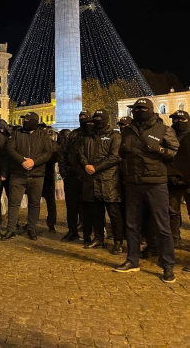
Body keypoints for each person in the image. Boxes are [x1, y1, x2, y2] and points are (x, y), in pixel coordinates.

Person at [114, 98, 179, 284]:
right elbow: (121, 152)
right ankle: (132, 260)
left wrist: (158, 148)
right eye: (136, 108)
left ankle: (168, 265)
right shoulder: (127, 130)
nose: (139, 111)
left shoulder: (163, 129)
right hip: (133, 181)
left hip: (156, 182)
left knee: (162, 226)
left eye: (143, 108)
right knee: (132, 225)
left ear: (151, 110)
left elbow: (173, 151)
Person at [78, 109, 124, 253]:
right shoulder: (87, 136)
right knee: (96, 213)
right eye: (95, 117)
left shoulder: (114, 135)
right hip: (91, 179)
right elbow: (80, 153)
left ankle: (118, 241)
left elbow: (115, 156)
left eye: (100, 117)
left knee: (114, 213)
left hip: (109, 180)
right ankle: (99, 238)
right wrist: (85, 165)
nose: (97, 120)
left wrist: (96, 167)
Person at [2, 112, 52, 241]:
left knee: (34, 203)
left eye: (28, 120)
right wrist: (22, 161)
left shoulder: (43, 134)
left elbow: (48, 152)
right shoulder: (17, 133)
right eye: (24, 119)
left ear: (35, 121)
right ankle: (11, 229)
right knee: (14, 203)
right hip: (18, 173)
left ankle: (31, 228)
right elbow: (10, 149)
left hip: (37, 174)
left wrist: (34, 162)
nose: (25, 122)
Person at [58, 111, 91, 242]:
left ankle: (88, 234)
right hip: (71, 176)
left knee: (87, 206)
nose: (82, 119)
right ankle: (72, 231)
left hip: (88, 176)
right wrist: (64, 172)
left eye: (85, 117)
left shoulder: (92, 134)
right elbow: (62, 153)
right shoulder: (73, 134)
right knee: (71, 206)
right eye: (80, 117)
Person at [166, 110, 190, 247]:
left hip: (188, 182)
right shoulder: (168, 135)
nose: (178, 122)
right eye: (175, 119)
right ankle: (174, 239)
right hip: (172, 181)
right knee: (173, 213)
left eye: (182, 120)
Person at [42, 127, 59, 232]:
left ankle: (51, 222)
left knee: (49, 200)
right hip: (45, 174)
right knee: (50, 200)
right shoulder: (54, 145)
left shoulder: (50, 145)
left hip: (46, 174)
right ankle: (51, 222)